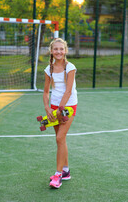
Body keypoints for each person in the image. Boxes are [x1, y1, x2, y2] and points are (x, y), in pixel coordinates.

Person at [43, 38, 78, 189]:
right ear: (51, 51)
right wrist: (48, 108)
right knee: (60, 140)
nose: (58, 52)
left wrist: (60, 109)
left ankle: (58, 175)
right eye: (55, 49)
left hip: (68, 106)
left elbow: (68, 90)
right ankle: (66, 171)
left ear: (65, 50)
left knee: (60, 137)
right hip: (54, 106)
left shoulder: (70, 67)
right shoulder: (48, 69)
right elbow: (45, 92)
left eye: (61, 49)